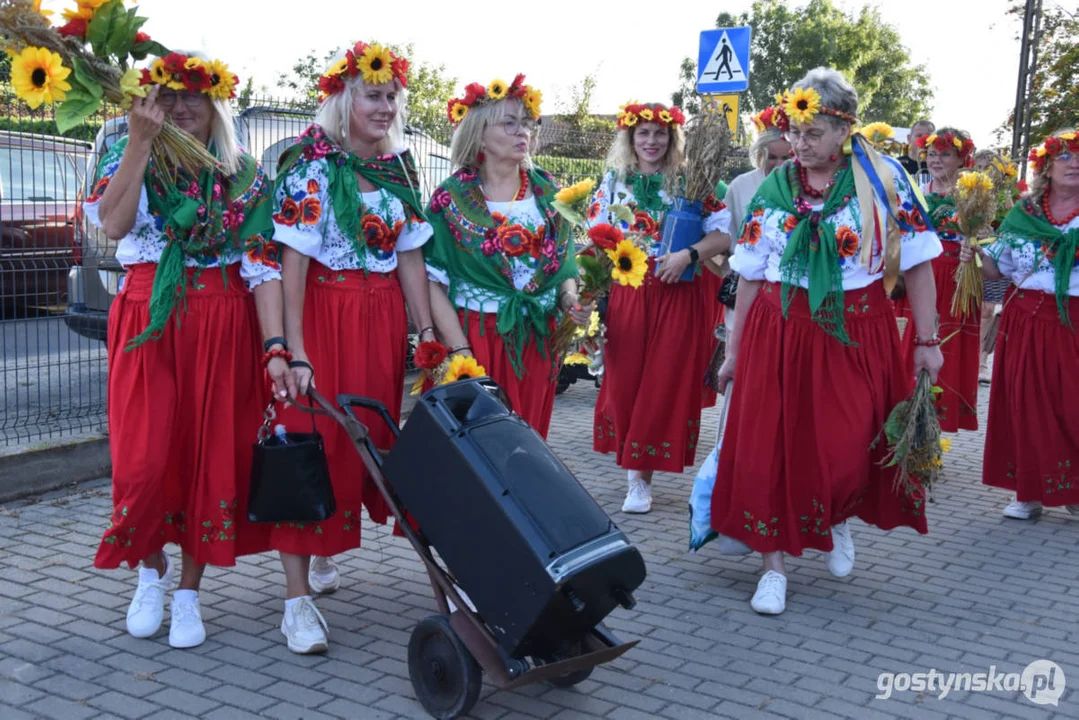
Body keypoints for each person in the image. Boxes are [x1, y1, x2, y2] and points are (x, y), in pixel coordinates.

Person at [711, 68, 944, 615]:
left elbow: (919, 265)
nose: (798, 143)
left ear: (843, 128)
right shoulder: (776, 186)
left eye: (812, 132)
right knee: (769, 446)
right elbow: (749, 275)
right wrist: (734, 352)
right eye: (793, 131)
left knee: (846, 443)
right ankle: (773, 568)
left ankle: (836, 517)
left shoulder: (883, 179)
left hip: (854, 329)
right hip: (779, 327)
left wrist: (927, 340)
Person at [87, 53, 289, 648]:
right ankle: (150, 572)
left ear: (215, 104)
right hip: (149, 311)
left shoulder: (242, 171)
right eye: (168, 97)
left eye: (191, 98)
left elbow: (263, 265)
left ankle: (189, 594)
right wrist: (140, 144)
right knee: (143, 461)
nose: (179, 108)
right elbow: (114, 224)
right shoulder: (126, 151)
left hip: (223, 317)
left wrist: (275, 345)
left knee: (209, 458)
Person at [267, 42, 434, 653]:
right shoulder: (311, 165)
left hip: (380, 318)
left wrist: (425, 333)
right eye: (373, 94)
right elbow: (291, 266)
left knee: (364, 444)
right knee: (309, 444)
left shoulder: (400, 169)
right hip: (326, 312)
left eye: (391, 96)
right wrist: (295, 348)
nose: (385, 106)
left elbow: (409, 255)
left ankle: (324, 551)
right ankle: (295, 603)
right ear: (345, 99)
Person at [423, 75, 590, 439]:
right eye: (510, 123)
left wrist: (570, 300)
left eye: (527, 124)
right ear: (480, 134)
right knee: (477, 444)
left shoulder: (547, 191)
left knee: (527, 441)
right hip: (476, 334)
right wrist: (461, 350)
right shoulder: (450, 198)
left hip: (535, 335)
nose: (523, 133)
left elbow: (564, 266)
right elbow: (432, 280)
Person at [587, 101, 732, 514]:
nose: (651, 141)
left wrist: (688, 254)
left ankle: (641, 479)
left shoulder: (693, 179)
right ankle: (634, 471)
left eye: (660, 134)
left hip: (678, 291)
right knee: (626, 378)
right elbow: (596, 239)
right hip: (628, 291)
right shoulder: (615, 182)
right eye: (643, 133)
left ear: (673, 139)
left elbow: (726, 236)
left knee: (661, 382)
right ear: (630, 138)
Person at [963, 129, 1079, 520]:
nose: (1074, 163)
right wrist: (976, 251)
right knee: (1024, 404)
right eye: (1064, 156)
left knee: (1071, 404)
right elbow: (1001, 269)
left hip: (1074, 319)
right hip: (1025, 318)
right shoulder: (1024, 213)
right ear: (1046, 165)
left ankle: (1072, 489)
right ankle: (1027, 492)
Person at [895, 128, 980, 432]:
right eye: (932, 154)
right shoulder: (914, 186)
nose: (936, 160)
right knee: (905, 345)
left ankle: (932, 428)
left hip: (954, 278)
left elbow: (986, 237)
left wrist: (976, 244)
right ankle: (902, 417)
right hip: (916, 274)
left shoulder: (973, 192)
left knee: (945, 349)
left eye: (945, 154)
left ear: (962, 158)